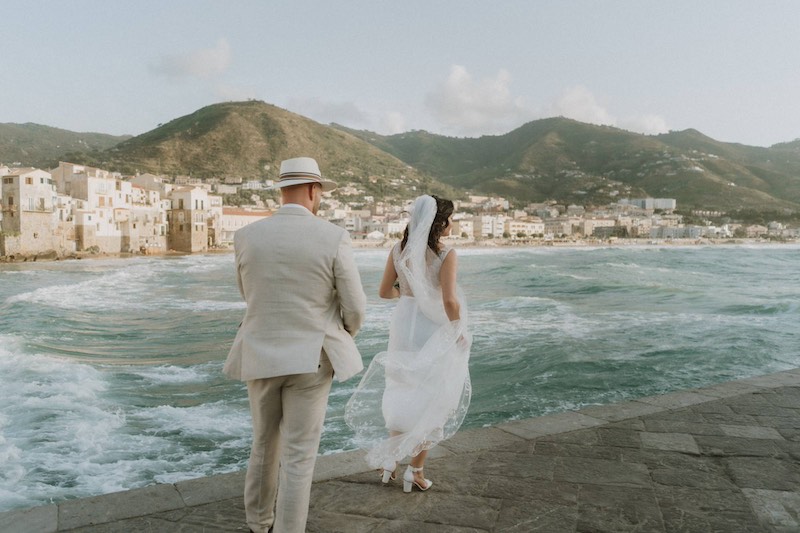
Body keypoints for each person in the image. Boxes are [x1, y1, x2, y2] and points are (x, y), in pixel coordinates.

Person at [224, 157, 367, 533]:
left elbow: (248, 294)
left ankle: (259, 523)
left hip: (259, 350)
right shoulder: (333, 236)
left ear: (283, 190)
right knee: (300, 456)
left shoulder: (246, 236)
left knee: (263, 444)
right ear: (314, 190)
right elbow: (356, 305)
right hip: (312, 356)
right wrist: (343, 332)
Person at [345, 194, 472, 493]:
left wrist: (408, 296)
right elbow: (450, 300)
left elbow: (383, 291)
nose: (453, 224)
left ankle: (391, 462)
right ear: (439, 222)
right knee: (434, 395)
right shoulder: (447, 254)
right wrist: (458, 330)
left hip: (403, 323)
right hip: (432, 328)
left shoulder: (397, 250)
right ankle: (415, 471)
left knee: (401, 388)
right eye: (450, 218)